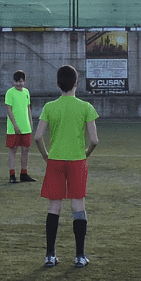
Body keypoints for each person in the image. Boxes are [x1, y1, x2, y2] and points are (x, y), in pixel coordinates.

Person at [34, 64, 99, 266]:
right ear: (76, 84)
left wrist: (46, 156)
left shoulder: (49, 107)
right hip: (77, 161)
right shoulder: (86, 107)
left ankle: (50, 256)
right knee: (77, 206)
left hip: (55, 161)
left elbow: (37, 137)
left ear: (57, 84)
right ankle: (80, 256)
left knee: (54, 207)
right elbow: (95, 140)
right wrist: (85, 154)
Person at [4, 69, 36, 184]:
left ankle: (24, 173)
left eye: (21, 81)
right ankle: (12, 175)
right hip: (13, 128)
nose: (19, 84)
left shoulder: (26, 92)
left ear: (25, 81)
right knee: (13, 150)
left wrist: (31, 123)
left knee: (26, 149)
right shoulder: (10, 93)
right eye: (17, 81)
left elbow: (28, 109)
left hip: (25, 127)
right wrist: (15, 125)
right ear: (13, 82)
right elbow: (9, 110)